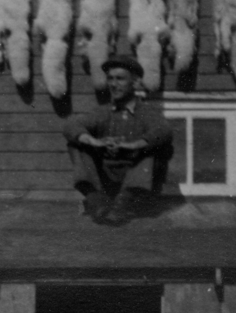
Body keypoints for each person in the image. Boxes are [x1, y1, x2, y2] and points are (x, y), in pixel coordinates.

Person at [62, 55, 173, 225]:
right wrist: (93, 141)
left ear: (135, 83)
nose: (113, 84)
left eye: (120, 79)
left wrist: (133, 145)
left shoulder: (146, 112)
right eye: (110, 79)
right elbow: (71, 125)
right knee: (76, 144)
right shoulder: (103, 112)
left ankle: (123, 205)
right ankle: (97, 201)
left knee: (154, 148)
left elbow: (163, 130)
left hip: (137, 182)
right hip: (107, 176)